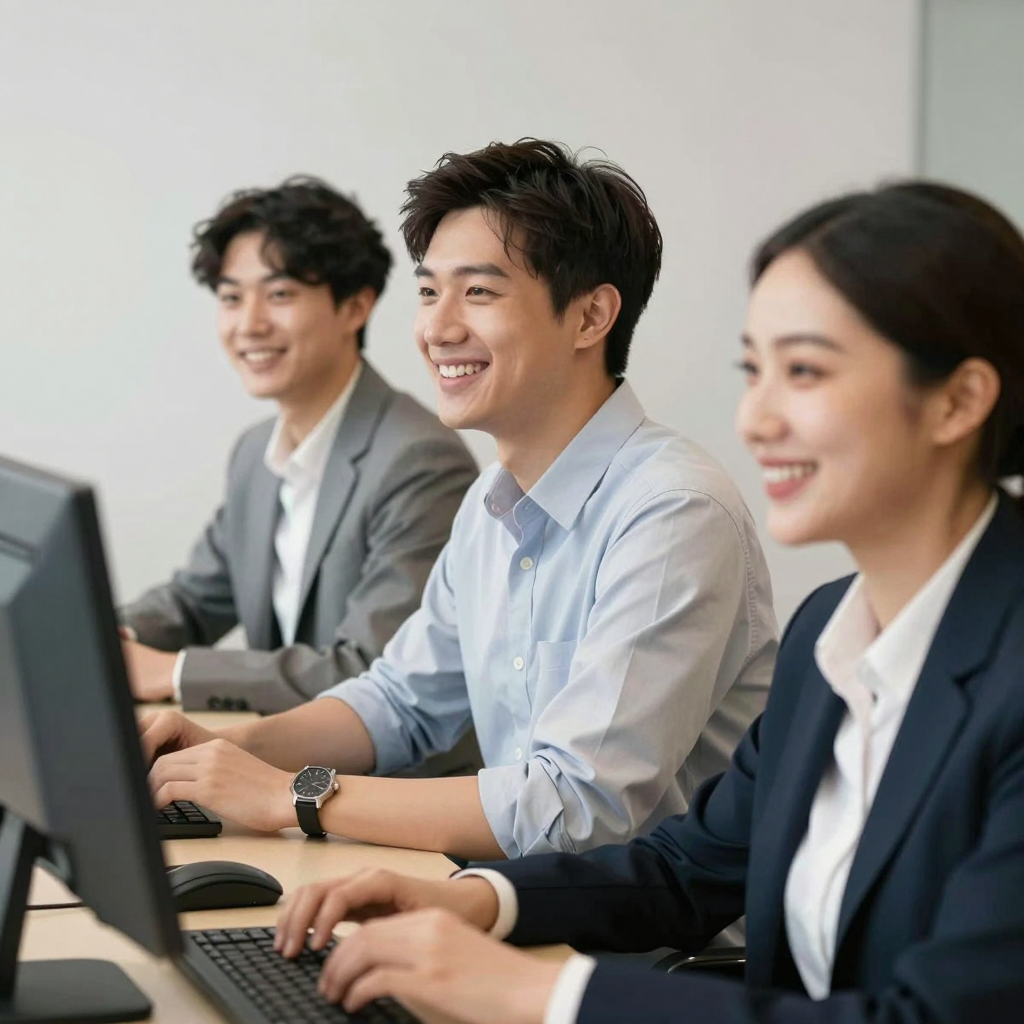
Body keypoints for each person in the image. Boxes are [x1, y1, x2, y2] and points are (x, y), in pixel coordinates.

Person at [270, 180, 1024, 1024]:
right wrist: (480, 901)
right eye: (754, 371)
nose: (755, 419)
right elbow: (687, 868)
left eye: (805, 371)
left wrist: (538, 994)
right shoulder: (834, 629)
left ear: (958, 401)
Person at [140, 139, 777, 861]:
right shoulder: (490, 506)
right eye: (428, 290)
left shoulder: (672, 513)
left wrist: (288, 794)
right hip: (513, 904)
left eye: (478, 292)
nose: (438, 329)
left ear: (591, 316)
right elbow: (397, 705)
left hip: (645, 955)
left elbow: (576, 806)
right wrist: (222, 749)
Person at [120, 177, 479, 742]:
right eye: (231, 297)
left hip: (389, 793)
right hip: (273, 766)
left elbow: (372, 671)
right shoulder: (254, 454)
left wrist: (173, 671)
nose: (249, 324)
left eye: (280, 294)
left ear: (355, 306)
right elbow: (192, 602)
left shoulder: (418, 460)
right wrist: (94, 638)